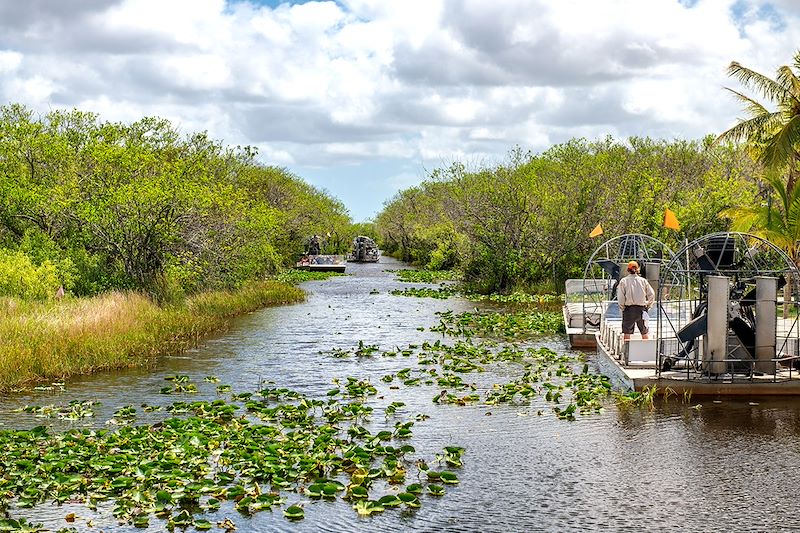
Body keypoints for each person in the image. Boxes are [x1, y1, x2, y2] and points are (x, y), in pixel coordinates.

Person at [617, 260, 655, 340]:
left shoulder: (623, 281)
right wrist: (648, 305)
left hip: (629, 310)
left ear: (628, 270)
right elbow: (652, 294)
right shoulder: (643, 281)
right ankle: (646, 349)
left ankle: (627, 351)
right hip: (642, 309)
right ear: (638, 269)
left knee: (627, 333)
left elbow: (621, 297)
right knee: (644, 332)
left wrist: (622, 307)